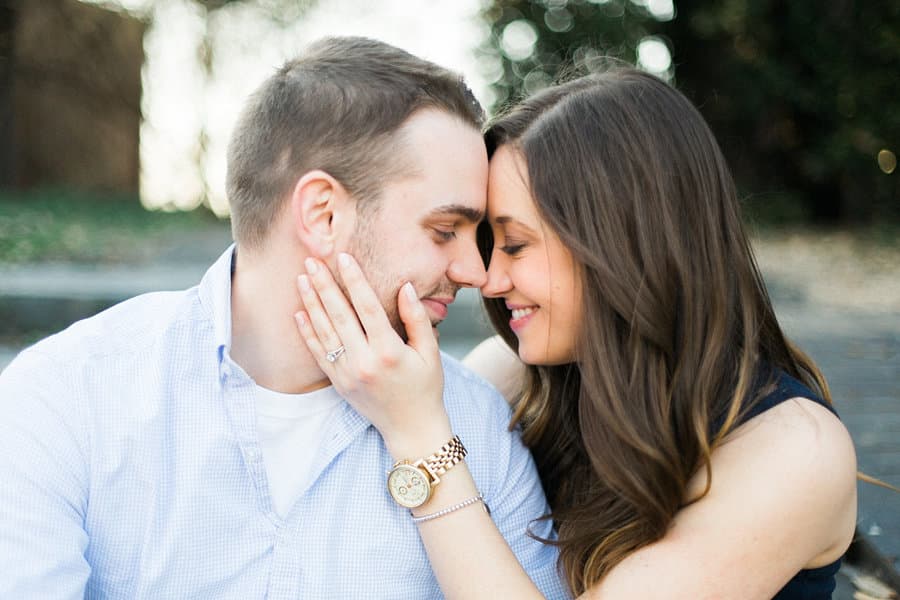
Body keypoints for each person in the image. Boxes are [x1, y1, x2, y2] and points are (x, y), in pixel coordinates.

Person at [0, 37, 566, 598]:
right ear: (323, 214)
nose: (476, 272)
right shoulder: (68, 396)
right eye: (445, 231)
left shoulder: (477, 429)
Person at [293, 68, 858, 599]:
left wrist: (422, 440)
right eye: (490, 245)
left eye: (515, 244)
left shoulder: (795, 451)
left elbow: (422, 441)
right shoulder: (515, 377)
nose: (488, 278)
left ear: (626, 244)